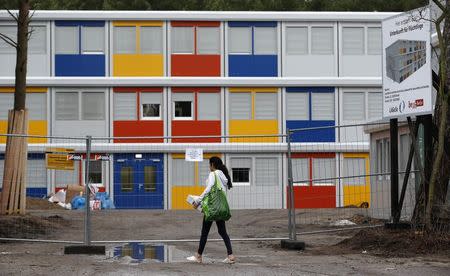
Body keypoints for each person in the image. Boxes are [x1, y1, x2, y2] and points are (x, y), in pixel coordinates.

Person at [187, 156, 235, 264]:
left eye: (209, 164)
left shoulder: (213, 174)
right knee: (222, 232)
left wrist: (198, 201)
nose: (209, 167)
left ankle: (198, 256)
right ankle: (230, 255)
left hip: (212, 208)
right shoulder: (223, 175)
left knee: (204, 232)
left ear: (212, 164)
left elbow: (208, 190)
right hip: (220, 207)